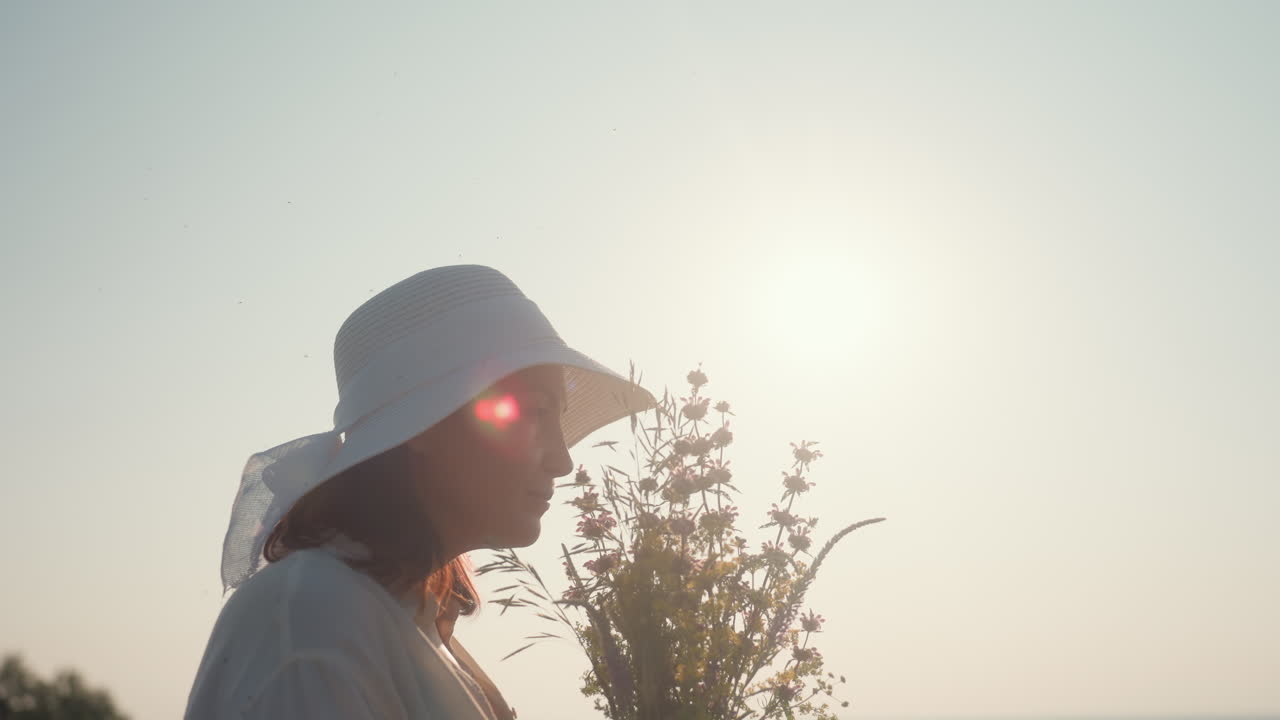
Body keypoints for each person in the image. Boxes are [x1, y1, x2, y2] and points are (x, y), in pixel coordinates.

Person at [185, 265, 655, 719]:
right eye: (533, 412)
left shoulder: (380, 614)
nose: (563, 459)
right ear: (424, 428)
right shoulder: (315, 616)